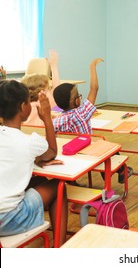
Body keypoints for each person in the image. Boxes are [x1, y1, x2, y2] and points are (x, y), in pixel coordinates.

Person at [0, 80, 68, 246]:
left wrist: (35, 159)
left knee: (38, 181)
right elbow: (52, 151)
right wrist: (47, 118)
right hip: (9, 219)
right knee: (59, 187)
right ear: (24, 107)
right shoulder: (29, 142)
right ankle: (60, 247)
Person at [52, 58, 132, 184]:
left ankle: (71, 181)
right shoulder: (82, 113)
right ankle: (121, 172)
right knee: (108, 147)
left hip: (70, 156)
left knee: (100, 145)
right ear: (77, 101)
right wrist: (92, 66)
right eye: (78, 95)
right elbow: (94, 88)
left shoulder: (57, 121)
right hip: (90, 153)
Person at [21, 50, 60, 126]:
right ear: (41, 91)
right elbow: (57, 90)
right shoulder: (43, 103)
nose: (49, 90)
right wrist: (54, 66)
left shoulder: (22, 105)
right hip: (41, 135)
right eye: (47, 89)